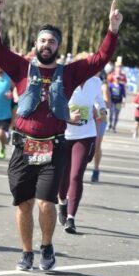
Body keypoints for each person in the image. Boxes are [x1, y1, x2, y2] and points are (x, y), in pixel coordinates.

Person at [0, 0, 122, 272]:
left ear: (58, 47)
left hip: (53, 146)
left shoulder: (69, 73)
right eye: (43, 40)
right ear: (36, 44)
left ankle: (46, 246)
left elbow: (100, 59)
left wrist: (112, 31)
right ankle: (26, 252)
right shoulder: (21, 67)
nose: (47, 45)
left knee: (46, 204)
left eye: (52, 42)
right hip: (23, 145)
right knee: (23, 204)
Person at [57, 73, 102, 234]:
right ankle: (62, 201)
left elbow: (99, 101)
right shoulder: (65, 79)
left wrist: (102, 110)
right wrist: (68, 117)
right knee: (63, 174)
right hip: (64, 134)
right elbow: (54, 105)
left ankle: (71, 218)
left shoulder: (95, 81)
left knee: (76, 175)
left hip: (86, 134)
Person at [91, 77, 110, 183]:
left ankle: (96, 169)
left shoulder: (103, 85)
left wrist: (98, 104)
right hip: (88, 118)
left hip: (100, 119)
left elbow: (107, 103)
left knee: (96, 146)